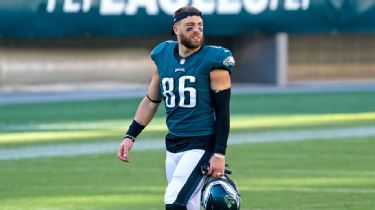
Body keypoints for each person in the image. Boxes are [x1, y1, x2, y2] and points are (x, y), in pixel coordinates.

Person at [117, 6, 235, 210]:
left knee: (174, 201)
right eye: (189, 26)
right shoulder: (162, 55)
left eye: (200, 26)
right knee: (189, 204)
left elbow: (223, 112)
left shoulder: (214, 60)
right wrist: (130, 135)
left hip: (201, 143)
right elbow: (151, 100)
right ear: (176, 29)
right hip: (173, 144)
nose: (196, 30)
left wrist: (219, 154)